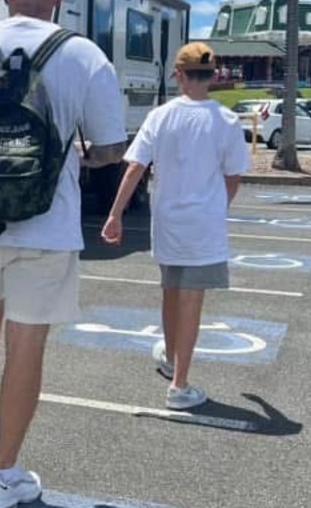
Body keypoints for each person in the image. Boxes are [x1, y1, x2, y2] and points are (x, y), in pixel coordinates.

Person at [0, 0, 127, 508]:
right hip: (46, 220)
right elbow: (111, 147)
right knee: (26, 344)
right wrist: (72, 158)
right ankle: (5, 475)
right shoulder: (84, 54)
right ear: (58, 1)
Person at [99, 42, 250, 410]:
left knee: (170, 291)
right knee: (192, 301)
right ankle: (180, 386)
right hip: (204, 226)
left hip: (167, 220)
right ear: (213, 76)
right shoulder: (227, 121)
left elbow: (135, 166)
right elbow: (233, 176)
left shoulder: (160, 116)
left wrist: (115, 213)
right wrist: (218, 207)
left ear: (179, 76)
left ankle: (170, 359)